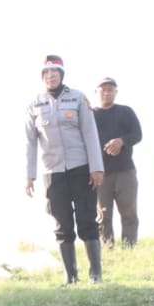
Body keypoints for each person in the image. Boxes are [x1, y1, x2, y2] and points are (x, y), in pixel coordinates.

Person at [24, 55, 104, 283]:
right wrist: (29, 176)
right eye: (46, 73)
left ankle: (95, 274)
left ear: (61, 75)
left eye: (54, 72)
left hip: (81, 168)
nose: (50, 77)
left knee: (87, 219)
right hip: (53, 171)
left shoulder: (78, 98)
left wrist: (96, 168)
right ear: (42, 77)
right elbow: (29, 142)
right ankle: (71, 276)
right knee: (62, 222)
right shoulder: (34, 105)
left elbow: (90, 134)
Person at [91, 78, 143, 249]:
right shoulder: (89, 115)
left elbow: (137, 134)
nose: (106, 92)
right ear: (96, 92)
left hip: (125, 170)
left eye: (110, 89)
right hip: (99, 174)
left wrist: (121, 141)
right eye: (103, 89)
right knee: (102, 215)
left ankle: (129, 248)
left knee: (129, 212)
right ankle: (107, 250)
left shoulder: (125, 112)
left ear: (116, 92)